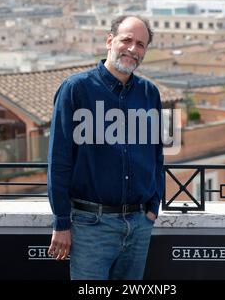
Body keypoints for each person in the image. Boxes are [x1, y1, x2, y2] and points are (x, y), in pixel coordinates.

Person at [47, 15, 164, 280]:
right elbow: (59, 160)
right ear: (110, 41)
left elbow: (156, 152)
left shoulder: (149, 93)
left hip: (138, 225)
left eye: (141, 44)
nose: (133, 49)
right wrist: (61, 222)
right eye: (127, 40)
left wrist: (154, 205)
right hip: (91, 226)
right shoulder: (76, 89)